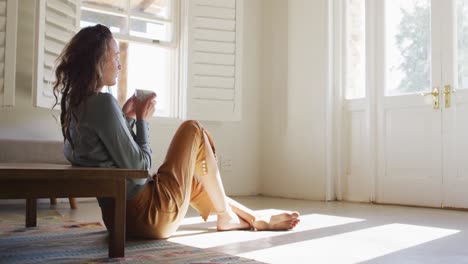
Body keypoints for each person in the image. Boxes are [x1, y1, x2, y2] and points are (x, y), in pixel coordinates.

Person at [53, 24, 300, 239]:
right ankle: (226, 216)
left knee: (192, 182)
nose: (119, 64)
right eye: (115, 56)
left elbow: (112, 163)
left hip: (117, 220)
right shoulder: (103, 103)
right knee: (192, 129)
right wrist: (142, 121)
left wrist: (126, 118)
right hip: (148, 216)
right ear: (97, 61)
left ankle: (252, 218)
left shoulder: (75, 107)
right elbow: (139, 170)